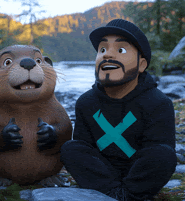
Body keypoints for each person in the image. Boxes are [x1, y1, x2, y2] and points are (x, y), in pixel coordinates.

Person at [60, 19, 177, 201]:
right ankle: (114, 192)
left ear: (142, 65)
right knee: (71, 148)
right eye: (102, 50)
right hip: (103, 171)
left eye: (121, 50)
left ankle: (129, 193)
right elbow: (85, 149)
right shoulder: (86, 102)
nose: (107, 56)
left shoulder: (158, 103)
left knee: (164, 154)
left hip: (138, 170)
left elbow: (157, 152)